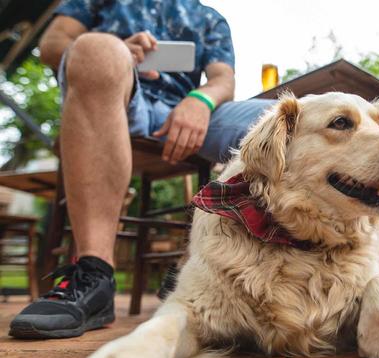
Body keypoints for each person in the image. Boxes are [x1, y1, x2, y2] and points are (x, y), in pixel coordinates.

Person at [9, 0, 273, 339]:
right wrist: (119, 50)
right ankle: (94, 275)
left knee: (285, 119)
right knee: (96, 48)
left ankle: (240, 273)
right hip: (118, 96)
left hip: (186, 108)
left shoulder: (210, 18)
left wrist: (201, 100)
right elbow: (52, 46)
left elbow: (223, 79)